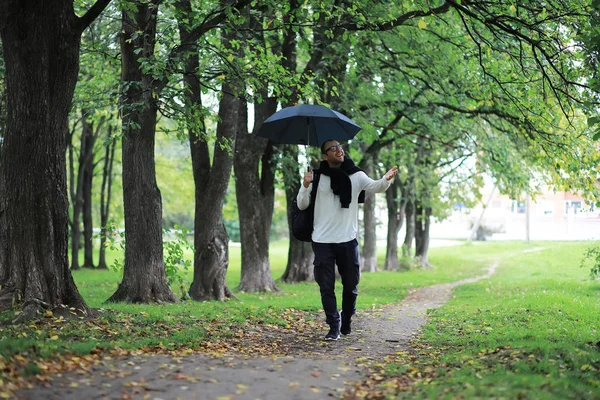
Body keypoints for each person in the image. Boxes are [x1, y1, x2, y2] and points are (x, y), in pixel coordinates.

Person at [296, 139, 398, 341]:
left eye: (340, 146)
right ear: (325, 156)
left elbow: (376, 186)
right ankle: (333, 325)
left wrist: (386, 178)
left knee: (351, 285)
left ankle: (347, 319)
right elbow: (302, 205)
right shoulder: (315, 177)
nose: (338, 150)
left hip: (347, 238)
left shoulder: (356, 175)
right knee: (326, 286)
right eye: (332, 148)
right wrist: (305, 185)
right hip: (322, 239)